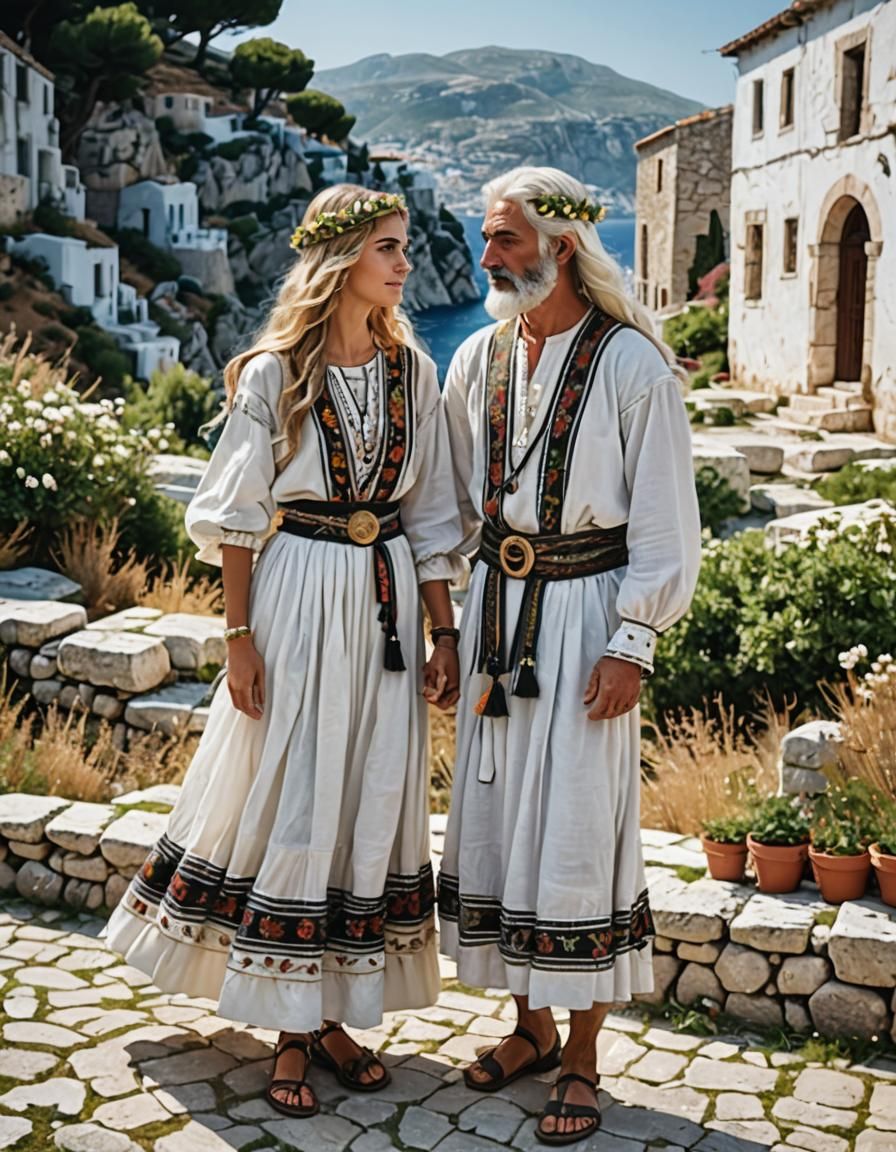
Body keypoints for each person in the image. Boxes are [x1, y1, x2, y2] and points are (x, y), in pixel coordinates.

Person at [105, 185, 464, 1119]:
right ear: (341, 260)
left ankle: (327, 1015)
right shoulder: (274, 373)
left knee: (366, 794)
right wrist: (238, 638)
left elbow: (430, 517)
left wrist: (445, 631)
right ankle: (292, 1029)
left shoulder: (413, 374)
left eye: (405, 248)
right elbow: (236, 516)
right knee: (298, 791)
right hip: (297, 593)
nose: (405, 265)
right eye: (388, 248)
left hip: (386, 603)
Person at [438, 166, 701, 1146]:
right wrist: (443, 623)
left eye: (504, 238)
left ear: (561, 245)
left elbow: (667, 523)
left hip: (589, 617)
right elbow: (450, 503)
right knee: (503, 820)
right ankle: (530, 1029)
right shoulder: (477, 358)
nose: (487, 255)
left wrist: (633, 641)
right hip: (495, 618)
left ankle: (583, 1055)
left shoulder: (632, 364)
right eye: (486, 236)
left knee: (580, 830)